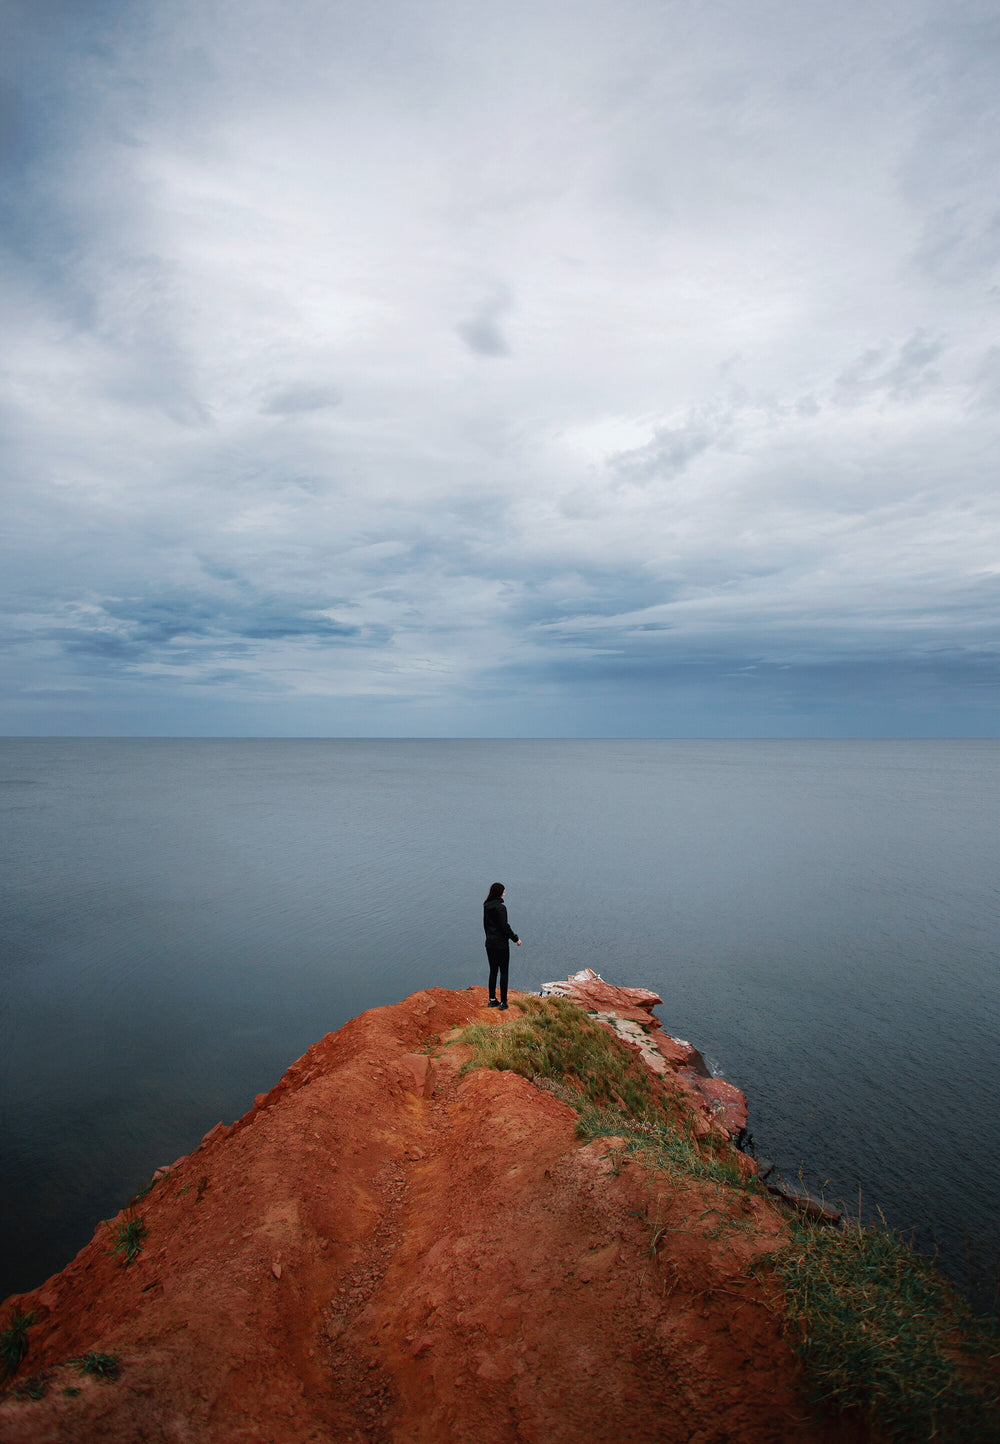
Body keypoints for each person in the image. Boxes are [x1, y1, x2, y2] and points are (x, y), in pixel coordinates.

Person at [483, 881, 521, 1011]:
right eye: (503, 891)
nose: (504, 893)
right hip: (501, 945)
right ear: (499, 892)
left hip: (490, 944)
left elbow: (486, 926)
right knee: (504, 972)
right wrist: (516, 939)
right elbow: (505, 927)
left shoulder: (486, 906)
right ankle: (503, 1002)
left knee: (493, 971)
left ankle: (492, 999)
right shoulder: (501, 908)